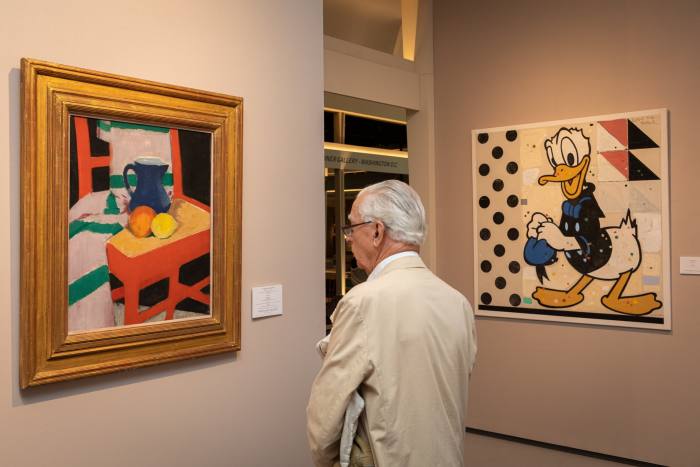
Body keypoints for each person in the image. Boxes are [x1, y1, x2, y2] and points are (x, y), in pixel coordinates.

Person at [307, 180, 477, 467]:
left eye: (351, 228)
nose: (348, 239)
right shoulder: (457, 302)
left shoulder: (362, 303)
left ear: (376, 231)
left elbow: (326, 415)